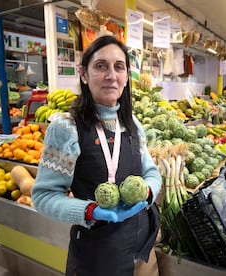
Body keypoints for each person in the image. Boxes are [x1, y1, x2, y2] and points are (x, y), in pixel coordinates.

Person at [31, 35, 161, 276]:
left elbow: (151, 172)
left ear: (126, 77)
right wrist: (90, 211)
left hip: (143, 249)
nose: (111, 75)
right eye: (101, 66)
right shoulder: (65, 128)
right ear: (84, 74)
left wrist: (147, 192)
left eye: (118, 67)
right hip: (98, 256)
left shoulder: (133, 124)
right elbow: (43, 196)